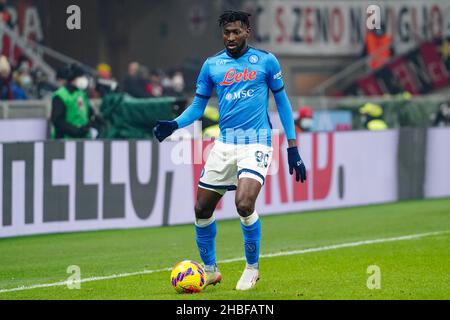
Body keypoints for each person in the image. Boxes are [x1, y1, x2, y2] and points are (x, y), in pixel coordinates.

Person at [153, 11, 306, 291]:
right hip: (225, 144)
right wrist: (175, 124)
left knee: (244, 204)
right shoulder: (212, 65)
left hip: (257, 141)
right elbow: (198, 108)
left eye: (236, 32)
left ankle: (251, 268)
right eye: (226, 33)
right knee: (201, 208)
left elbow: (282, 104)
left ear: (247, 30)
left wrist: (292, 147)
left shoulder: (266, 62)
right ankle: (210, 271)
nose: (231, 38)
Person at [51, 64, 99, 139]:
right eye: (82, 77)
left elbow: (88, 115)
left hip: (83, 139)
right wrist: (76, 131)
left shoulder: (82, 94)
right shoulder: (61, 95)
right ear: (74, 78)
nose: (84, 79)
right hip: (65, 140)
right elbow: (57, 120)